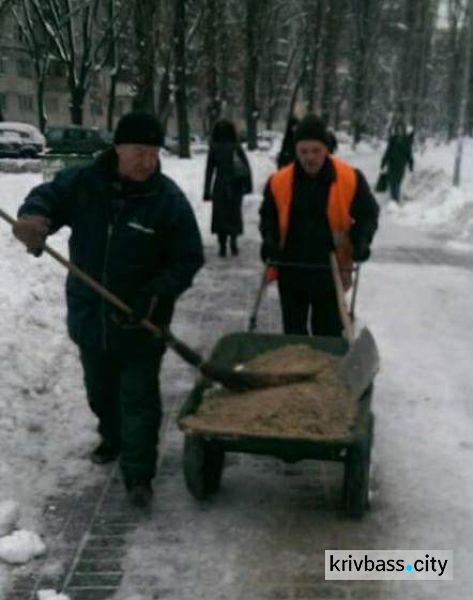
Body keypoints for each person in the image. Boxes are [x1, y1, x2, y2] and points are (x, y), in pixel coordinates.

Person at [12, 112, 204, 508]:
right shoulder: (84, 184)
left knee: (139, 398)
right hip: (90, 314)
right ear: (118, 148)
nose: (147, 161)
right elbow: (46, 197)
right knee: (100, 390)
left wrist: (155, 294)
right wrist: (35, 219)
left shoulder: (166, 200)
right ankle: (112, 436)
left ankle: (139, 476)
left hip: (142, 318)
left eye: (153, 153)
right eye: (138, 152)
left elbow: (188, 257)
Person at [259, 114, 379, 337]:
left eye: (316, 151)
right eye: (303, 151)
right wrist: (269, 239)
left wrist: (361, 240)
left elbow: (368, 214)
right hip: (291, 269)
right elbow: (269, 217)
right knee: (294, 336)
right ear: (296, 151)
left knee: (328, 335)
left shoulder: (349, 178)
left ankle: (327, 372)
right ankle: (296, 371)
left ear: (326, 150)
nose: (310, 158)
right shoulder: (279, 181)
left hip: (331, 272)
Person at [203, 119, 252, 257]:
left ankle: (222, 245)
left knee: (220, 216)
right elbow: (246, 167)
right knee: (234, 214)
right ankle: (234, 242)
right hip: (235, 186)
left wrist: (207, 190)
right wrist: (248, 185)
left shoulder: (214, 147)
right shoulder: (236, 147)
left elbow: (209, 170)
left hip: (220, 185)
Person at [381, 121, 414, 202]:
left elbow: (409, 153)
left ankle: (396, 199)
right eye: (398, 129)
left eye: (401, 129)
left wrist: (411, 164)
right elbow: (388, 151)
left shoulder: (406, 140)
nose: (399, 130)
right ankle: (393, 198)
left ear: (403, 130)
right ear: (396, 130)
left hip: (401, 164)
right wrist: (383, 162)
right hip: (391, 163)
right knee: (391, 181)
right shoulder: (392, 139)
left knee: (398, 181)